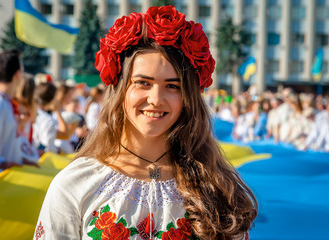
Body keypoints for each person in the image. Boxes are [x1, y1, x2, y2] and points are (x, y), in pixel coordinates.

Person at [34, 6, 257, 240]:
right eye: (143, 83)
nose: (156, 99)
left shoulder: (216, 187)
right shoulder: (76, 183)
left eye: (173, 86)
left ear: (188, 98)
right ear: (121, 90)